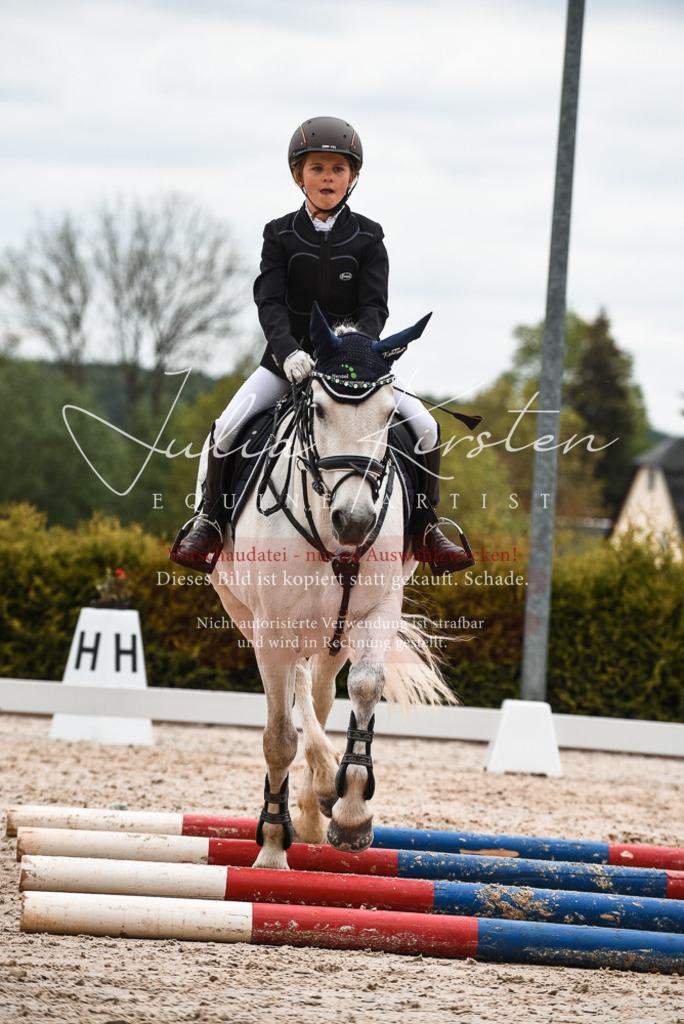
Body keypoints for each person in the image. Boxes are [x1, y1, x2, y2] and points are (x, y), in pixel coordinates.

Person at [170, 116, 473, 574]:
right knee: (226, 429)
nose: (327, 178)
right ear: (299, 175)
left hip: (355, 367)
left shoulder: (370, 236)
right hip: (284, 364)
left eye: (337, 169)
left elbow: (375, 306)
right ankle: (210, 522)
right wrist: (290, 351)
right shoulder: (279, 234)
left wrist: (355, 349)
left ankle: (427, 527)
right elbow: (269, 302)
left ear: (352, 178)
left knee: (427, 427)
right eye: (317, 168)